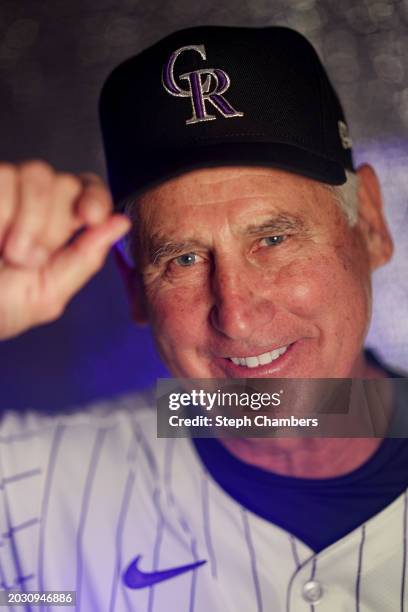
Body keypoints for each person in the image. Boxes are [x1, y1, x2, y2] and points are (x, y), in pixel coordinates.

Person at [0, 25, 406, 611]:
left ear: (369, 223)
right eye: (183, 259)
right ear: (134, 287)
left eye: (273, 238)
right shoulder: (35, 494)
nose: (236, 315)